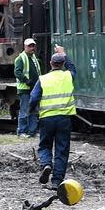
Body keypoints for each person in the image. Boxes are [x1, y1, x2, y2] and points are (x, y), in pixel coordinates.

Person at [30, 52, 77, 190]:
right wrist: (64, 54)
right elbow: (73, 68)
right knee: (62, 150)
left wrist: (31, 111)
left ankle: (46, 164)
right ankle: (56, 181)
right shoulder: (68, 76)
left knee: (45, 145)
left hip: (47, 118)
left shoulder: (43, 79)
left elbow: (33, 98)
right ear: (63, 64)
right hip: (64, 119)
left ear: (51, 63)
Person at [13, 38, 42, 137]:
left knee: (34, 110)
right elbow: (17, 72)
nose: (32, 48)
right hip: (25, 88)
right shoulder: (21, 58)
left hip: (33, 88)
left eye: (33, 46)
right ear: (25, 47)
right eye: (29, 46)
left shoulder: (34, 58)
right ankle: (22, 132)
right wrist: (26, 80)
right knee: (25, 110)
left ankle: (32, 131)